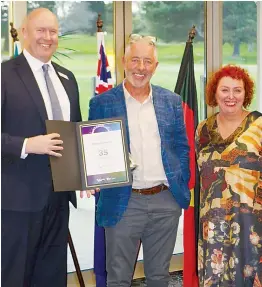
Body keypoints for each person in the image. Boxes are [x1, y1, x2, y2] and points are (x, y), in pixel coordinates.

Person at [87, 35, 190, 287]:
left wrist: (180, 182)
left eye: (147, 62)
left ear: (155, 66)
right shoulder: (101, 103)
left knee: (158, 276)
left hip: (165, 201)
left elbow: (181, 146)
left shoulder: (172, 101)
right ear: (124, 62)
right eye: (135, 60)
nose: (140, 68)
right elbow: (92, 146)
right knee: (119, 277)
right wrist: (93, 174)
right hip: (124, 200)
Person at [1, 8, 94, 287]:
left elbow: (75, 132)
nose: (48, 37)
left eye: (53, 31)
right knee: (17, 275)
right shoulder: (4, 75)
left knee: (52, 275)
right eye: (41, 30)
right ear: (24, 32)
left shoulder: (67, 78)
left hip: (58, 197)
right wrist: (28, 144)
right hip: (19, 199)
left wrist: (86, 174)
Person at [196, 64, 262, 287]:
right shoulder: (203, 129)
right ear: (215, 92)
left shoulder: (259, 126)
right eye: (225, 90)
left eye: (237, 90)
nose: (231, 96)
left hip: (251, 224)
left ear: (246, 94)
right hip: (212, 223)